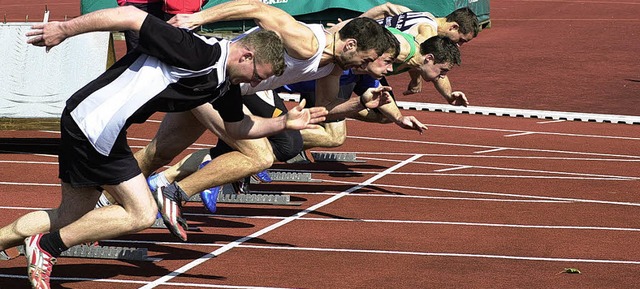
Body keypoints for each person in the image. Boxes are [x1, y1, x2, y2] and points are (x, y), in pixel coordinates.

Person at [0, 6, 328, 289]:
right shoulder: (197, 51)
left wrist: (283, 124)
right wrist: (63, 29)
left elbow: (239, 128)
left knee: (71, 215)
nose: (256, 85)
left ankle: (25, 241)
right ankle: (47, 247)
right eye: (257, 76)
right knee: (141, 213)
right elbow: (130, 15)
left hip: (94, 122)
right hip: (95, 122)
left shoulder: (226, 81)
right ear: (246, 55)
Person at [133, 0, 396, 241]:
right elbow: (258, 8)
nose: (367, 65)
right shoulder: (308, 43)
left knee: (158, 153)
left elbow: (327, 108)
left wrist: (360, 103)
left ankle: (99, 206)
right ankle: (173, 192)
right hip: (214, 80)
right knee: (259, 157)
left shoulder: (333, 66)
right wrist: (197, 18)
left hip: (225, 89)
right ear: (350, 45)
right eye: (368, 59)